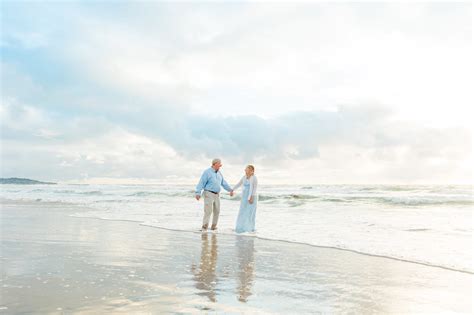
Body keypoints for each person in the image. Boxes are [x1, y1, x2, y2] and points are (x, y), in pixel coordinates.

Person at [195, 158, 233, 231]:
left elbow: (223, 183)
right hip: (208, 193)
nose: (221, 166)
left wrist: (230, 190)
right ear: (215, 164)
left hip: (217, 194)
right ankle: (204, 227)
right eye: (219, 164)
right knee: (208, 211)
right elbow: (201, 182)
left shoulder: (219, 173)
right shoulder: (207, 172)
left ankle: (213, 227)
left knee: (217, 211)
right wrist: (198, 192)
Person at [232, 165, 258, 233]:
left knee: (250, 213)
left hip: (252, 196)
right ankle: (241, 228)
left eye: (246, 169)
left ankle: (249, 229)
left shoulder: (254, 178)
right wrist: (232, 190)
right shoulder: (244, 177)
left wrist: (250, 197)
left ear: (251, 170)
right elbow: (239, 184)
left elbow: (253, 188)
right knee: (242, 212)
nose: (245, 170)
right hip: (244, 196)